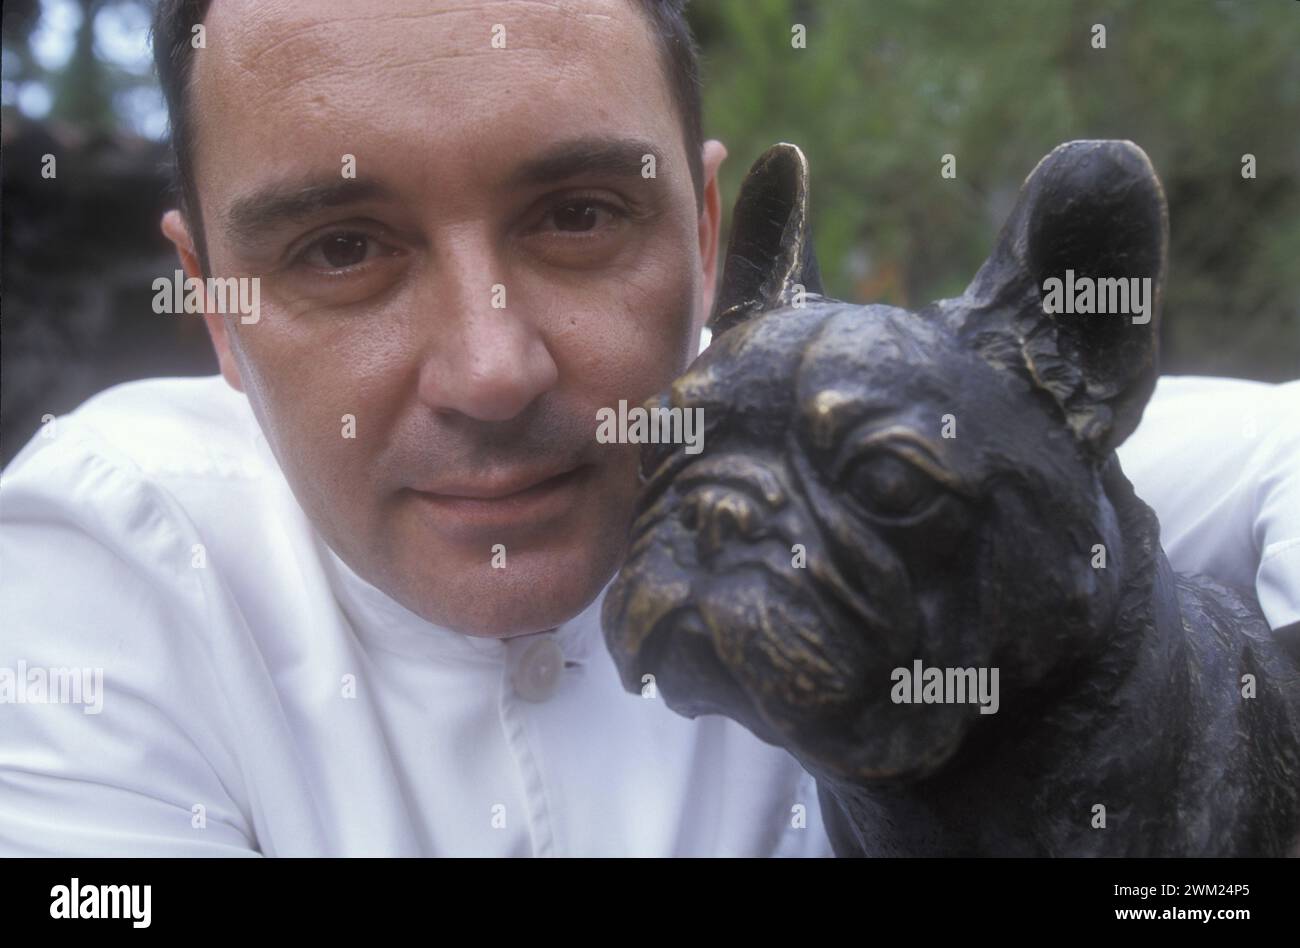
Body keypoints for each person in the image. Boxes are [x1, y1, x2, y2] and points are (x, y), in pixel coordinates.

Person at [0, 0, 1295, 857]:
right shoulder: (113, 563)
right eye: (342, 250)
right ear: (217, 311)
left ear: (708, 244)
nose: (493, 368)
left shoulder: (906, 448)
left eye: (577, 218)